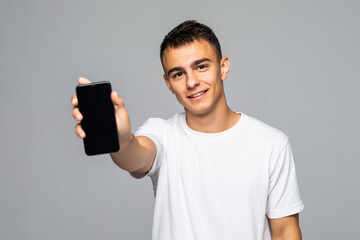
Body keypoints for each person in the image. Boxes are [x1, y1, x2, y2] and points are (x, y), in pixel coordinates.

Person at [71, 20, 304, 240]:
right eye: (178, 74)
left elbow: (285, 233)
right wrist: (121, 138)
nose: (191, 82)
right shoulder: (163, 134)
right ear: (168, 83)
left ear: (223, 68)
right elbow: (136, 156)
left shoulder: (271, 144)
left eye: (201, 66)